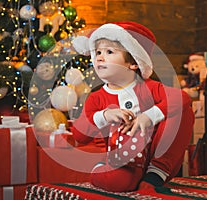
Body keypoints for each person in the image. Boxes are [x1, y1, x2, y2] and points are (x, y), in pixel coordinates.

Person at [70, 21, 194, 192]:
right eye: (97, 52)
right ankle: (105, 168)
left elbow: (183, 97)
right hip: (125, 160)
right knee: (118, 182)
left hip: (156, 156)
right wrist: (104, 116)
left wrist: (149, 116)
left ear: (133, 63)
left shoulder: (149, 87)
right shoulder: (96, 97)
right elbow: (79, 134)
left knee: (182, 108)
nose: (99, 57)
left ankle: (156, 173)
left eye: (109, 52)